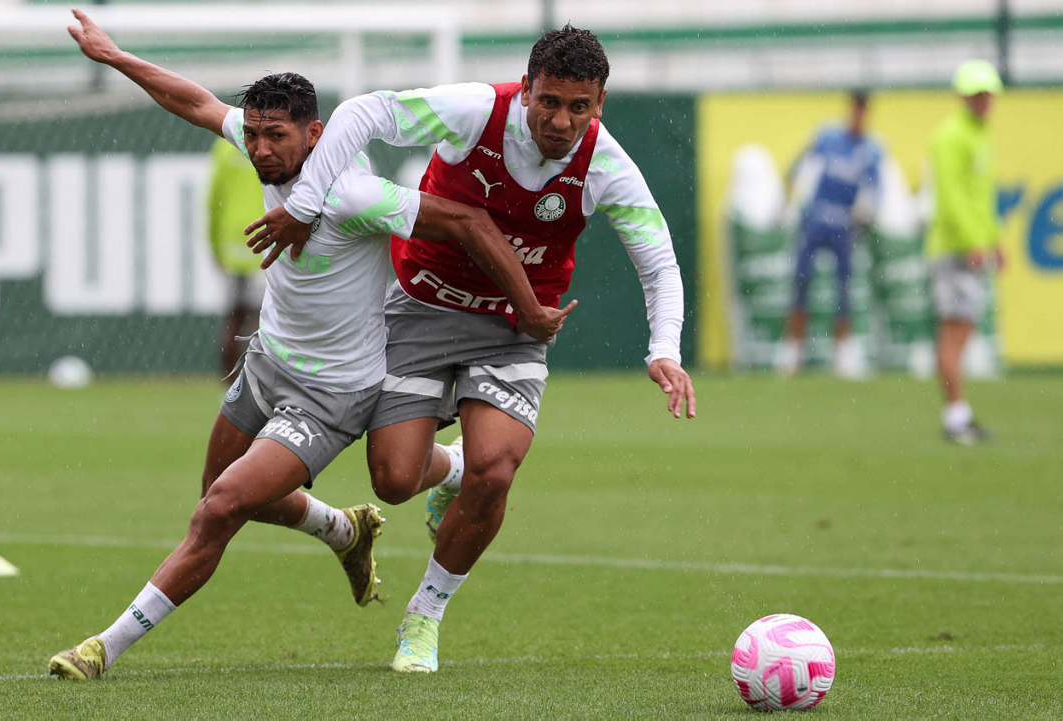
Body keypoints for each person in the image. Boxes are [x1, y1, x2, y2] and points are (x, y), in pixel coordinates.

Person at [48, 9, 571, 680]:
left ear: (315, 134)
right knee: (218, 494)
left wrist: (526, 308)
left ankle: (102, 647)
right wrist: (114, 55)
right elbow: (196, 102)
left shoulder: (355, 194)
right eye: (254, 134)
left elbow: (467, 220)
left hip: (331, 396)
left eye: (276, 136)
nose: (261, 149)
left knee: (221, 508)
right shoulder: (264, 151)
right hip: (266, 363)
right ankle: (342, 529)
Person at [246, 25, 695, 673]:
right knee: (393, 480)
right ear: (526, 90)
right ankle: (449, 470)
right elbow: (365, 112)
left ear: (600, 103)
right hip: (420, 309)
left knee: (497, 469)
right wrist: (308, 202)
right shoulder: (475, 111)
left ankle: (423, 617)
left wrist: (664, 349)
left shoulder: (606, 165)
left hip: (516, 326)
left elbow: (659, 261)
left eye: (579, 107)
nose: (561, 121)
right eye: (549, 101)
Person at [775, 90, 883, 379]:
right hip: (815, 220)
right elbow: (798, 168)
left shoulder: (871, 150)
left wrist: (867, 212)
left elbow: (875, 191)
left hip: (845, 226)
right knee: (801, 280)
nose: (858, 116)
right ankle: (792, 351)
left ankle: (842, 353)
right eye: (856, 109)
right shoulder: (827, 137)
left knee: (843, 288)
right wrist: (787, 201)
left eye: (863, 110)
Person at [927, 59, 1004, 445]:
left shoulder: (979, 135)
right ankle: (955, 416)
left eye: (987, 93)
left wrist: (994, 240)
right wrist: (974, 240)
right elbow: (951, 196)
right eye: (976, 94)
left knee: (962, 329)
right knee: (953, 333)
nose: (983, 100)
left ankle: (958, 412)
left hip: (970, 247)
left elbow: (982, 198)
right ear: (963, 96)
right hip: (953, 249)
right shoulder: (950, 136)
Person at [207, 138, 266, 380]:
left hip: (232, 243)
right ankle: (261, 383)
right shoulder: (270, 145)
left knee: (233, 320)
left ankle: (230, 386)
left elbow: (213, 199)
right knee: (264, 322)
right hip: (264, 238)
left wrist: (215, 245)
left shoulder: (224, 147)